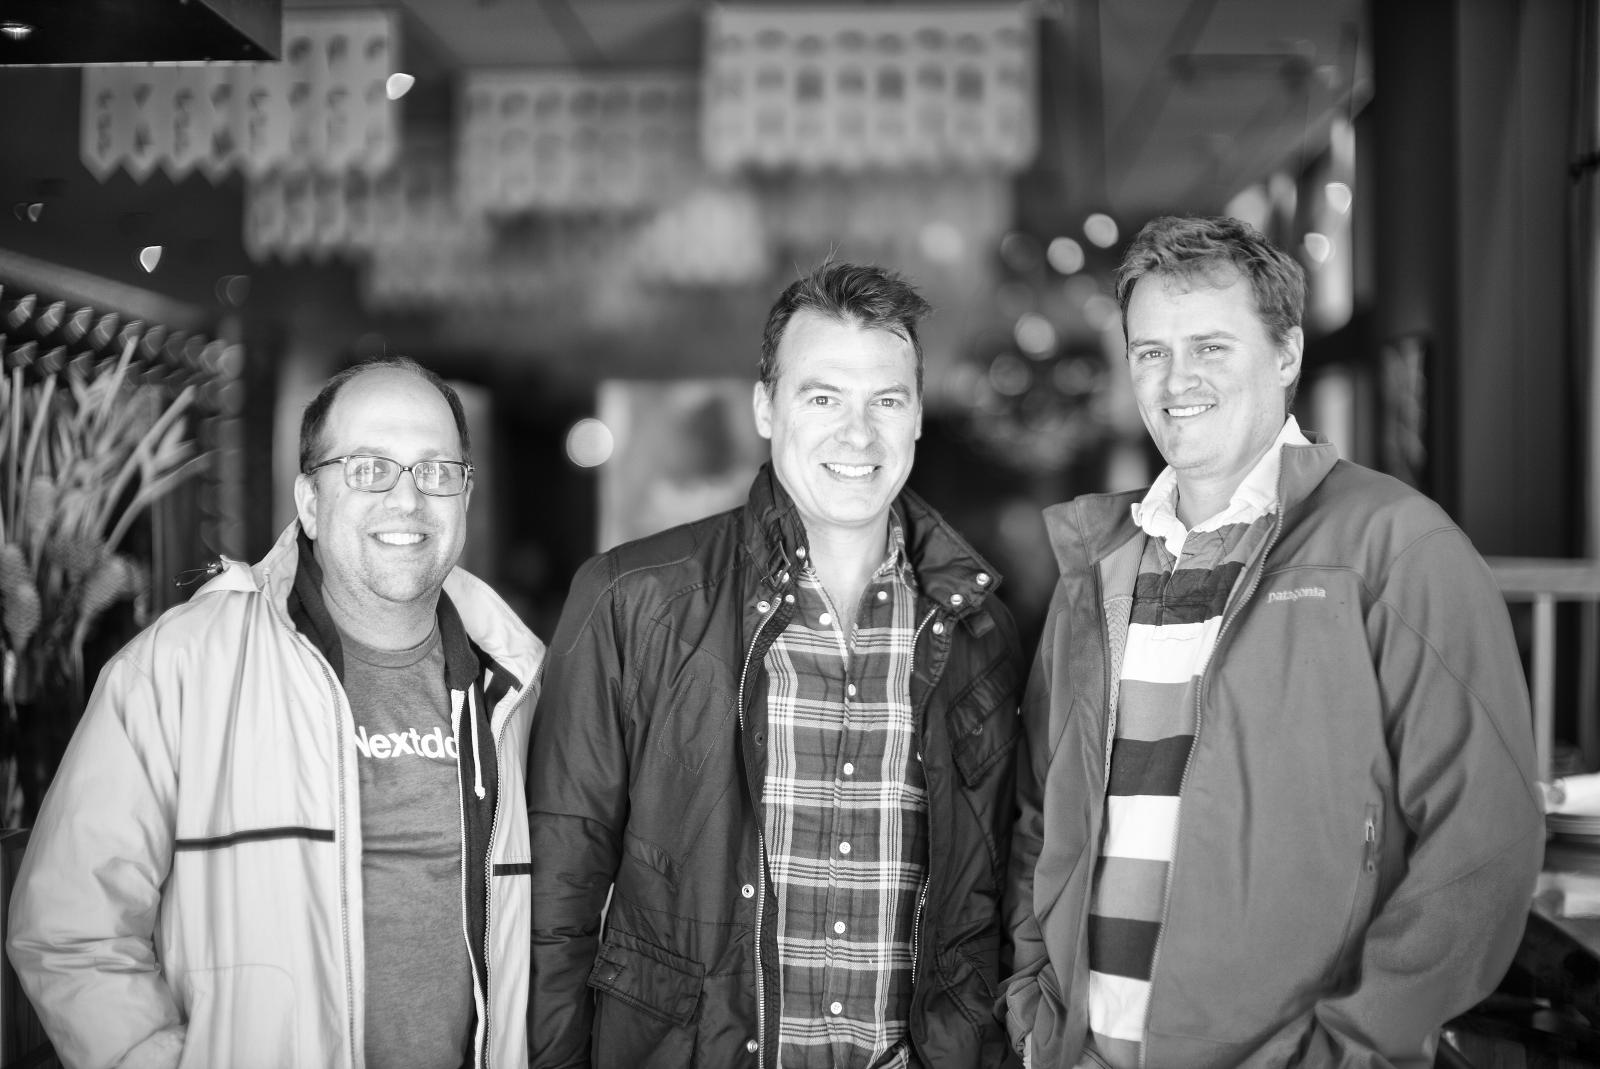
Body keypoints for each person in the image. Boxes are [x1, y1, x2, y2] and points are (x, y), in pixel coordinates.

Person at [1002, 215, 1544, 1069]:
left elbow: (1485, 845)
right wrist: (1036, 1010)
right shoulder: (1098, 570)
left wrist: (1349, 1052)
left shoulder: (1395, 547)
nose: (1176, 380)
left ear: (1286, 353)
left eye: (1210, 346)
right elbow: (1040, 813)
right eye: (1150, 351)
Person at [528, 262, 1025, 1068]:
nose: (857, 435)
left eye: (885, 401)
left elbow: (987, 906)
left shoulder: (977, 627)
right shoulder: (632, 601)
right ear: (767, 407)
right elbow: (557, 892)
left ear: (918, 417)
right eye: (822, 397)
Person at [8, 357, 544, 1069]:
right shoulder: (176, 670)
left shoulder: (519, 681)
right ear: (310, 501)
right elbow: (70, 928)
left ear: (465, 496)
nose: (408, 499)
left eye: (436, 470)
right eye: (368, 468)